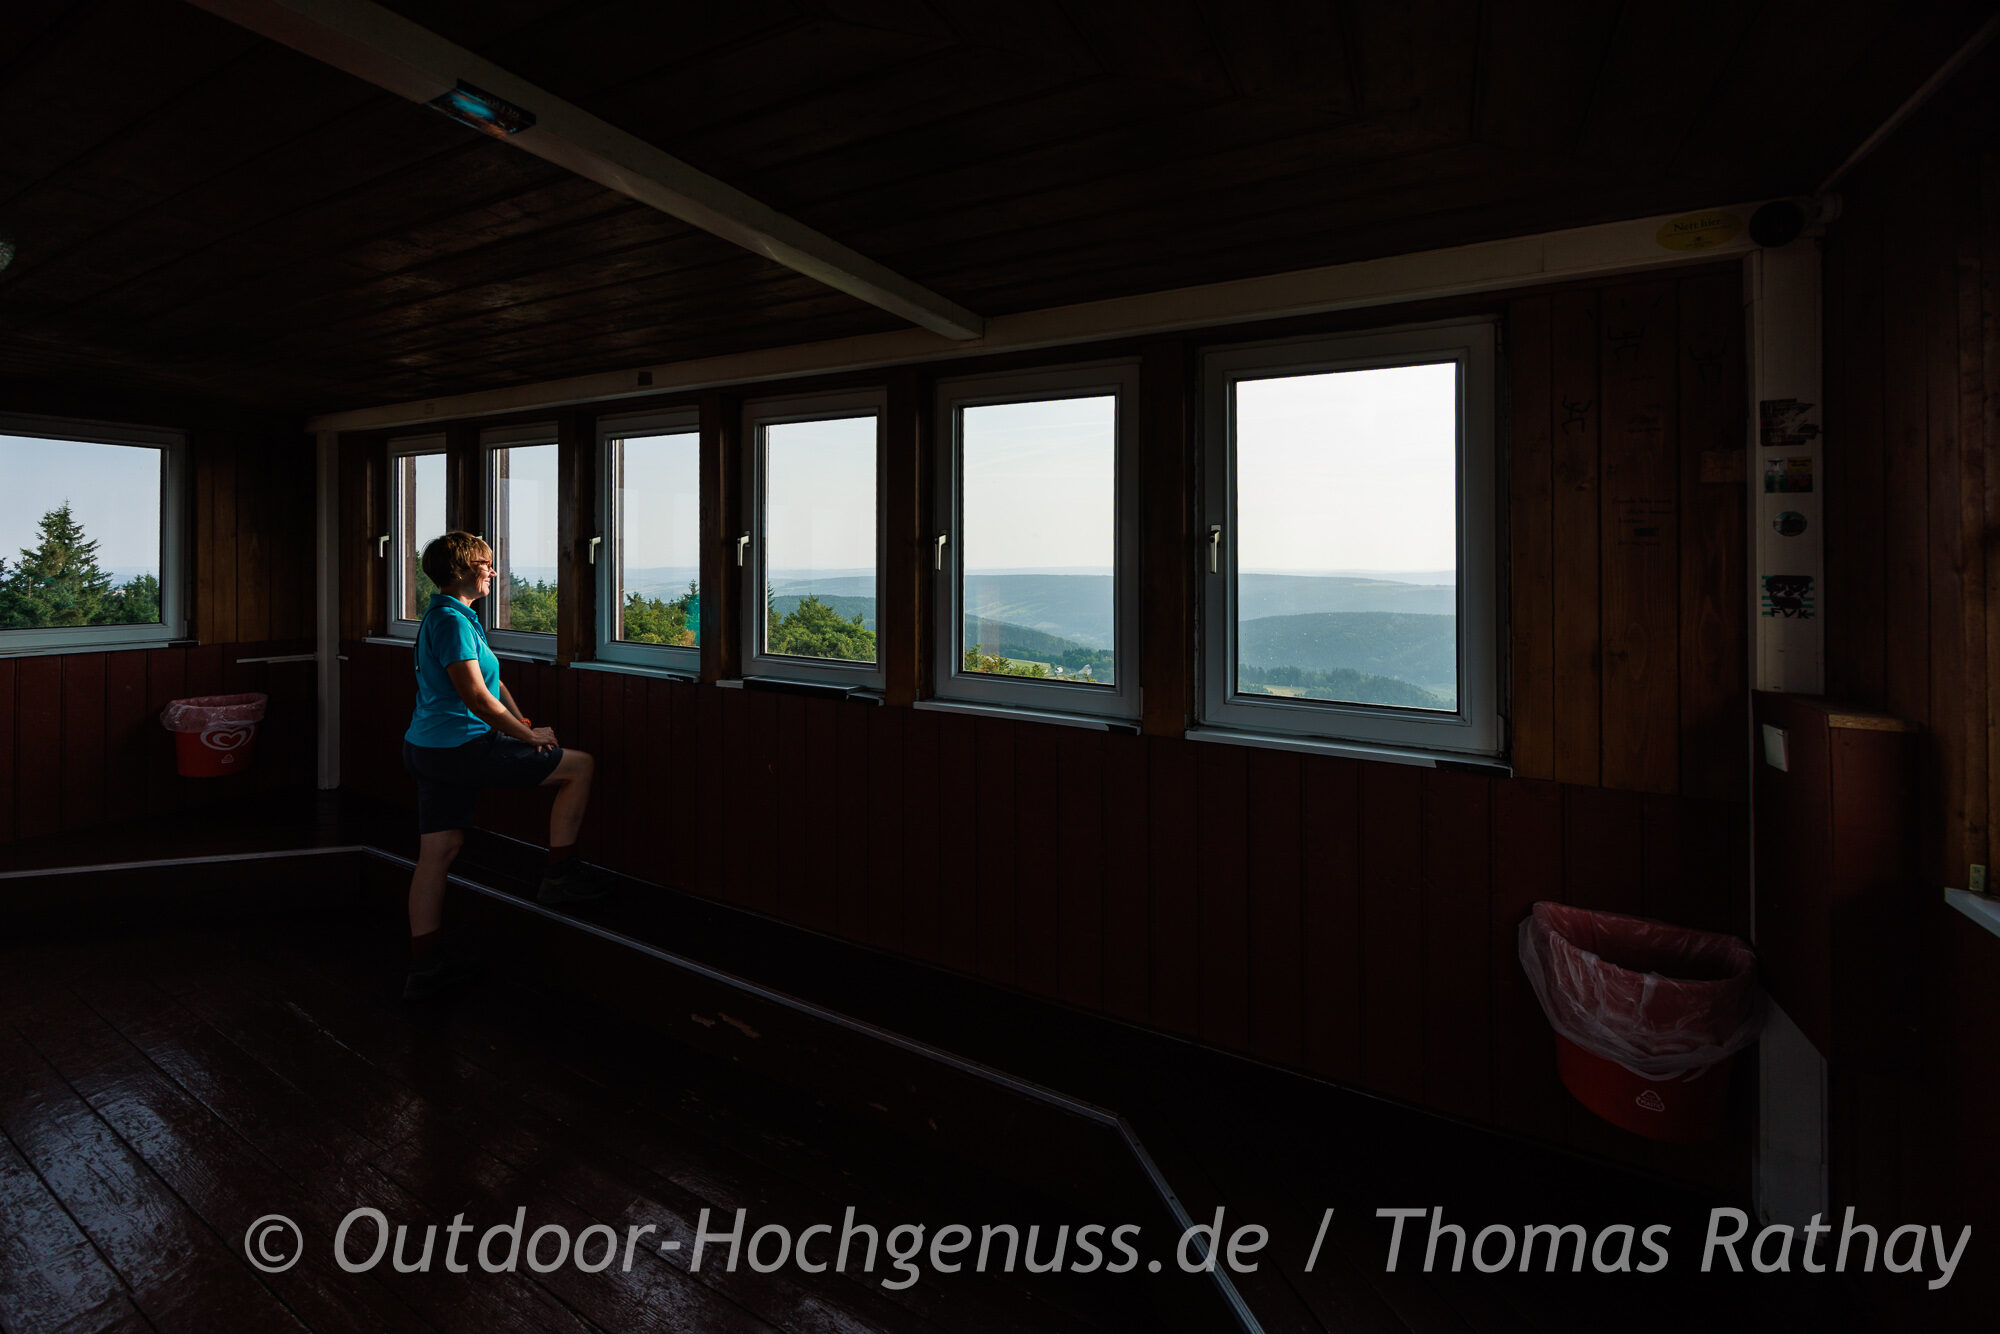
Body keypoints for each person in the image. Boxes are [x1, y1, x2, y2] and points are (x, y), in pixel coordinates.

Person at [399, 531, 610, 998]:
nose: (493, 571)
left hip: (430, 747)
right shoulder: (452, 623)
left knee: (438, 850)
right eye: (486, 564)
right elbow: (475, 697)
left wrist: (519, 722)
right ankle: (558, 877)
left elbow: (492, 685)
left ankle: (425, 966)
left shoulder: (452, 615)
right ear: (462, 570)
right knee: (579, 767)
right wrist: (527, 735)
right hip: (460, 748)